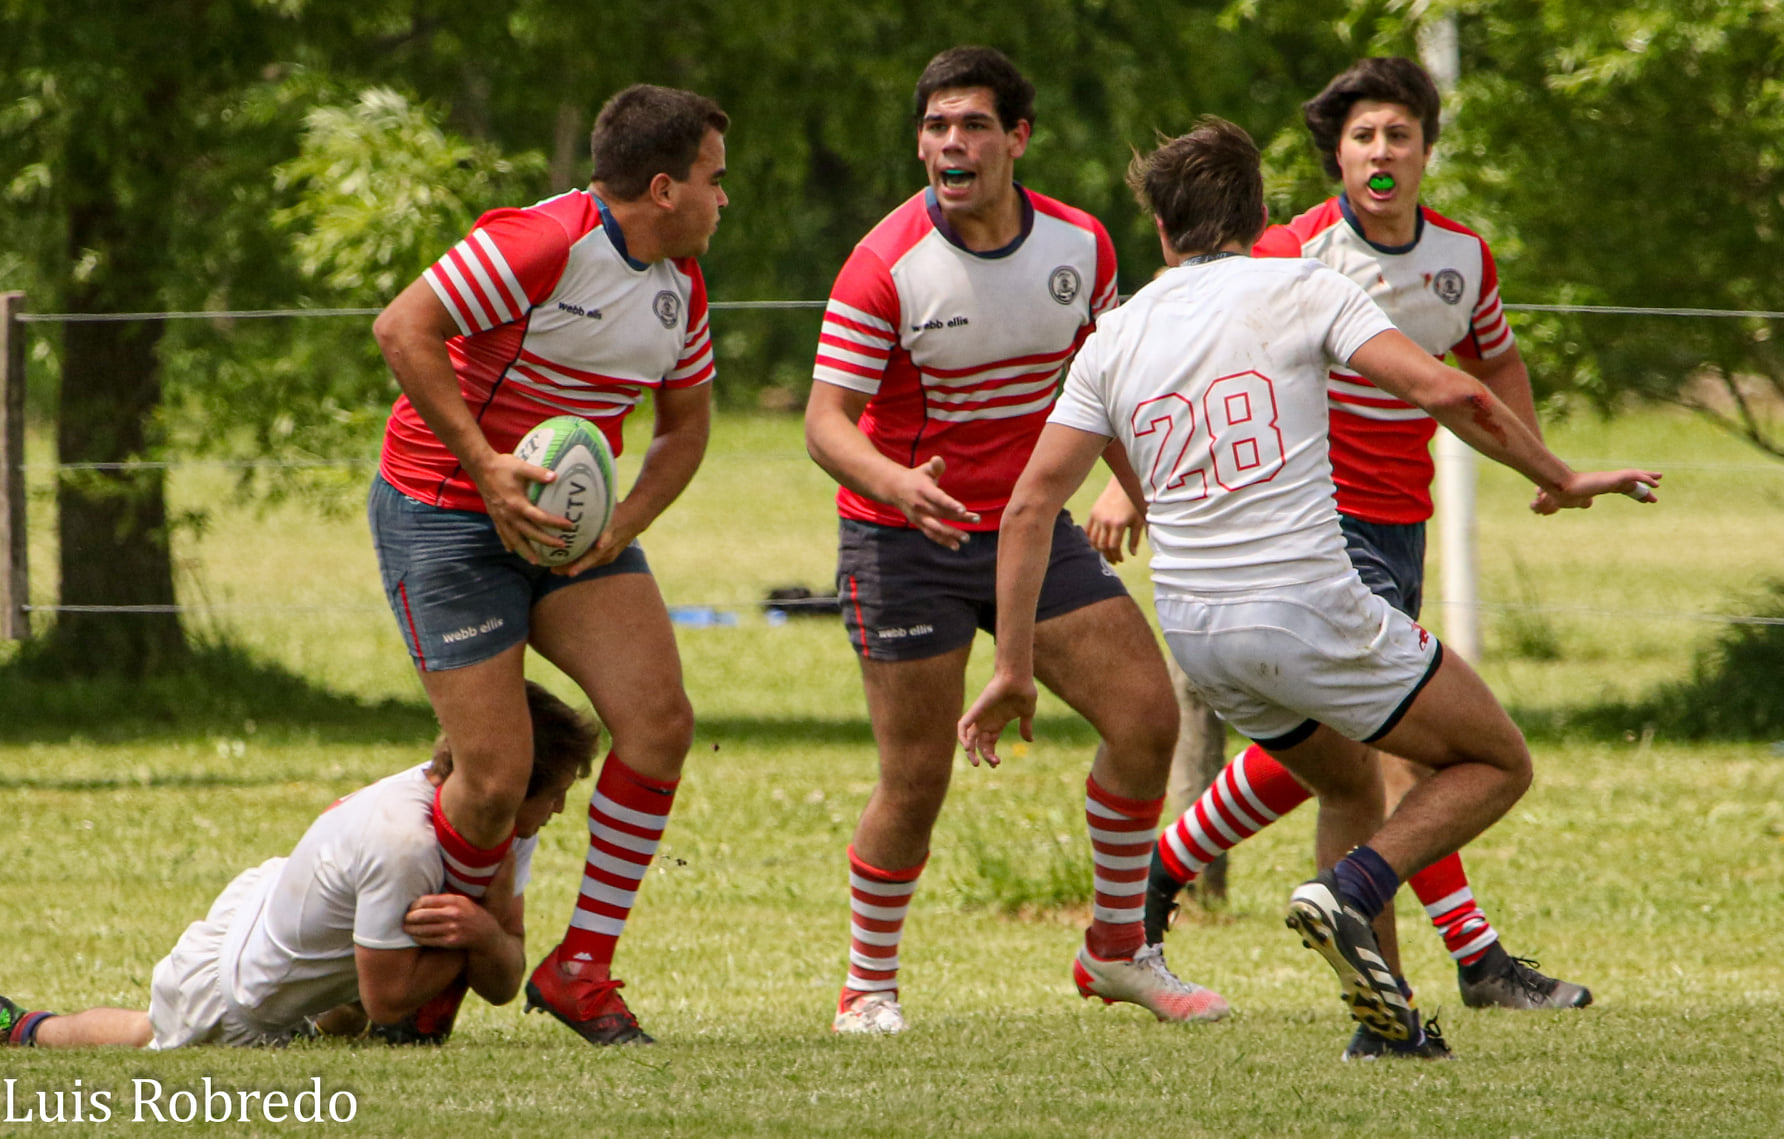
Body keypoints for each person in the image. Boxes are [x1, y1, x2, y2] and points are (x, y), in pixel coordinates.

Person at [958, 118, 1658, 1059]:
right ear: (1260, 213)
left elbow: (1028, 508)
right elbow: (1456, 394)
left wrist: (1010, 667)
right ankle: (1356, 890)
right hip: (1309, 609)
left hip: (1199, 638)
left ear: (1161, 230)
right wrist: (1560, 476)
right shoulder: (1303, 284)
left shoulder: (1113, 336)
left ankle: (1389, 1025)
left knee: (1345, 778)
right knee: (1497, 761)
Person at [1086, 57, 1597, 1031]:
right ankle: (1469, 952)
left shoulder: (1461, 260)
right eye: (1361, 135)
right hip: (1314, 523)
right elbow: (1180, 340)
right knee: (1398, 746)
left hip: (1401, 518)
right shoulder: (1291, 248)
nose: (1379, 151)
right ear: (1336, 153)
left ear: (1422, 153)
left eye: (1396, 135)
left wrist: (1539, 465)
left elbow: (1488, 363)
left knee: (1353, 761)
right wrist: (1126, 480)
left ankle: (1209, 894)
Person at [804, 45, 1226, 1035]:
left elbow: (1108, 386)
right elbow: (825, 421)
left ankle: (1116, 948)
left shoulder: (1080, 248)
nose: (950, 143)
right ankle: (866, 984)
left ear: (1015, 139)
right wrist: (895, 482)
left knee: (1143, 717)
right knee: (915, 776)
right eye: (935, 126)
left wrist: (1136, 490)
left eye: (972, 125)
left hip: (1032, 532)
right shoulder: (883, 265)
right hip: (901, 541)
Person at [367, 84, 728, 1046]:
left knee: (658, 723)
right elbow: (403, 329)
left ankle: (581, 967)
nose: (723, 199)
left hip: (569, 533)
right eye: (713, 179)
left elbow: (686, 427)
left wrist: (624, 524)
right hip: (446, 511)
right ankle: (418, 985)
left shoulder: (679, 282)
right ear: (662, 187)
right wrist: (484, 468)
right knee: (494, 779)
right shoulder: (541, 243)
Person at [0, 682, 594, 1050]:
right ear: (511, 782)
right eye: (557, 791)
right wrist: (482, 938)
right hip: (240, 992)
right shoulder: (403, 840)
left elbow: (504, 979)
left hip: (297, 913)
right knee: (147, 1033)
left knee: (354, 1001)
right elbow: (390, 1002)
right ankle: (29, 1028)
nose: (563, 807)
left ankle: (330, 1014)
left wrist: (486, 935)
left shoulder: (498, 817)